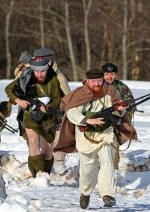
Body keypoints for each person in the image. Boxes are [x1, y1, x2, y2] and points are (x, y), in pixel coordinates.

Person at [54, 68, 127, 209]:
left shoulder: (110, 91)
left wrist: (121, 108)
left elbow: (118, 111)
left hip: (105, 133)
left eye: (99, 81)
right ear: (87, 81)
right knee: (88, 169)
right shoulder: (81, 93)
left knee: (107, 162)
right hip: (86, 136)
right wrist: (87, 120)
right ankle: (85, 192)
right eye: (93, 81)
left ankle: (108, 195)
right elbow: (71, 112)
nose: (97, 84)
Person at [13, 47, 71, 174]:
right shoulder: (28, 70)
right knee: (33, 141)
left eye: (48, 60)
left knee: (55, 139)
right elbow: (17, 80)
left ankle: (57, 165)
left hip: (53, 112)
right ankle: (37, 171)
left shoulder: (58, 75)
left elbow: (66, 94)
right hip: (30, 111)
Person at [5, 54, 61, 178]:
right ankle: (37, 175)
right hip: (30, 114)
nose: (40, 74)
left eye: (42, 71)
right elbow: (9, 89)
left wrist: (47, 107)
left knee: (47, 149)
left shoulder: (53, 80)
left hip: (48, 118)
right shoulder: (26, 77)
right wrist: (19, 101)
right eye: (37, 71)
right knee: (33, 141)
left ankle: (45, 174)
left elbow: (57, 99)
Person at [102, 62, 137, 169]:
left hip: (115, 120)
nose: (109, 77)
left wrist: (121, 113)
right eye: (107, 74)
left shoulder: (121, 87)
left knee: (114, 145)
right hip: (98, 121)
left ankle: (114, 170)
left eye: (112, 74)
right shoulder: (96, 84)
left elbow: (131, 105)